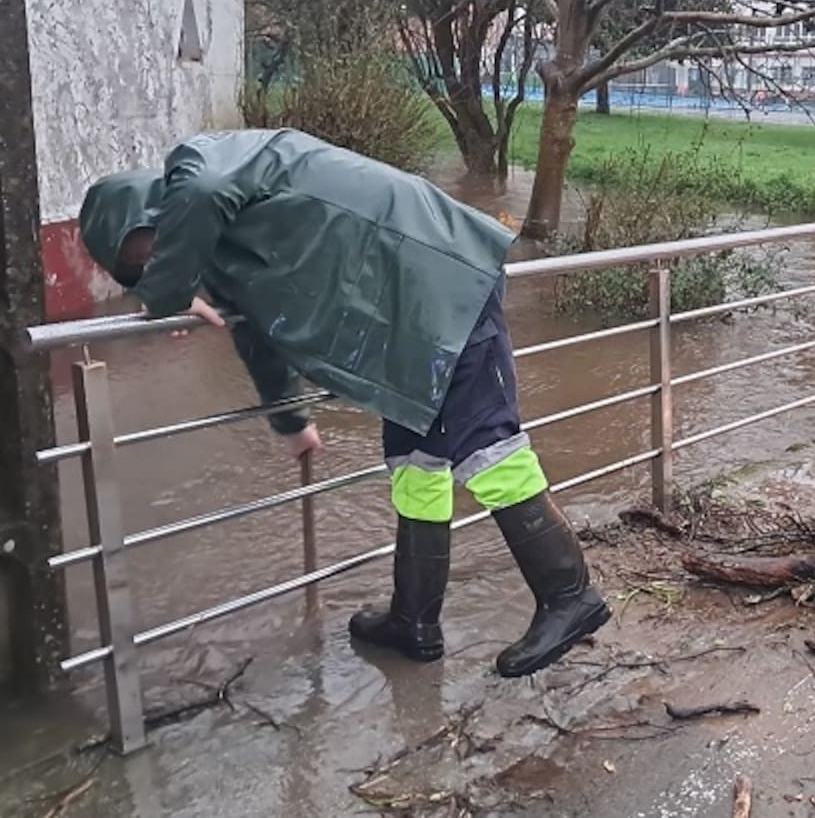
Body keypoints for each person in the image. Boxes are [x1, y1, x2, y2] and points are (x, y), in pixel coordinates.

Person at [77, 128, 611, 677]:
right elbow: (260, 335)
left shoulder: (199, 164)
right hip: (404, 321)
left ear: (152, 210)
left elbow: (206, 191)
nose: (156, 263)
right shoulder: (224, 258)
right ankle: (414, 620)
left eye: (149, 250)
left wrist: (166, 294)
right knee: (415, 466)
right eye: (141, 269)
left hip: (440, 277)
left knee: (489, 449)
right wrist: (290, 421)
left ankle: (570, 596)